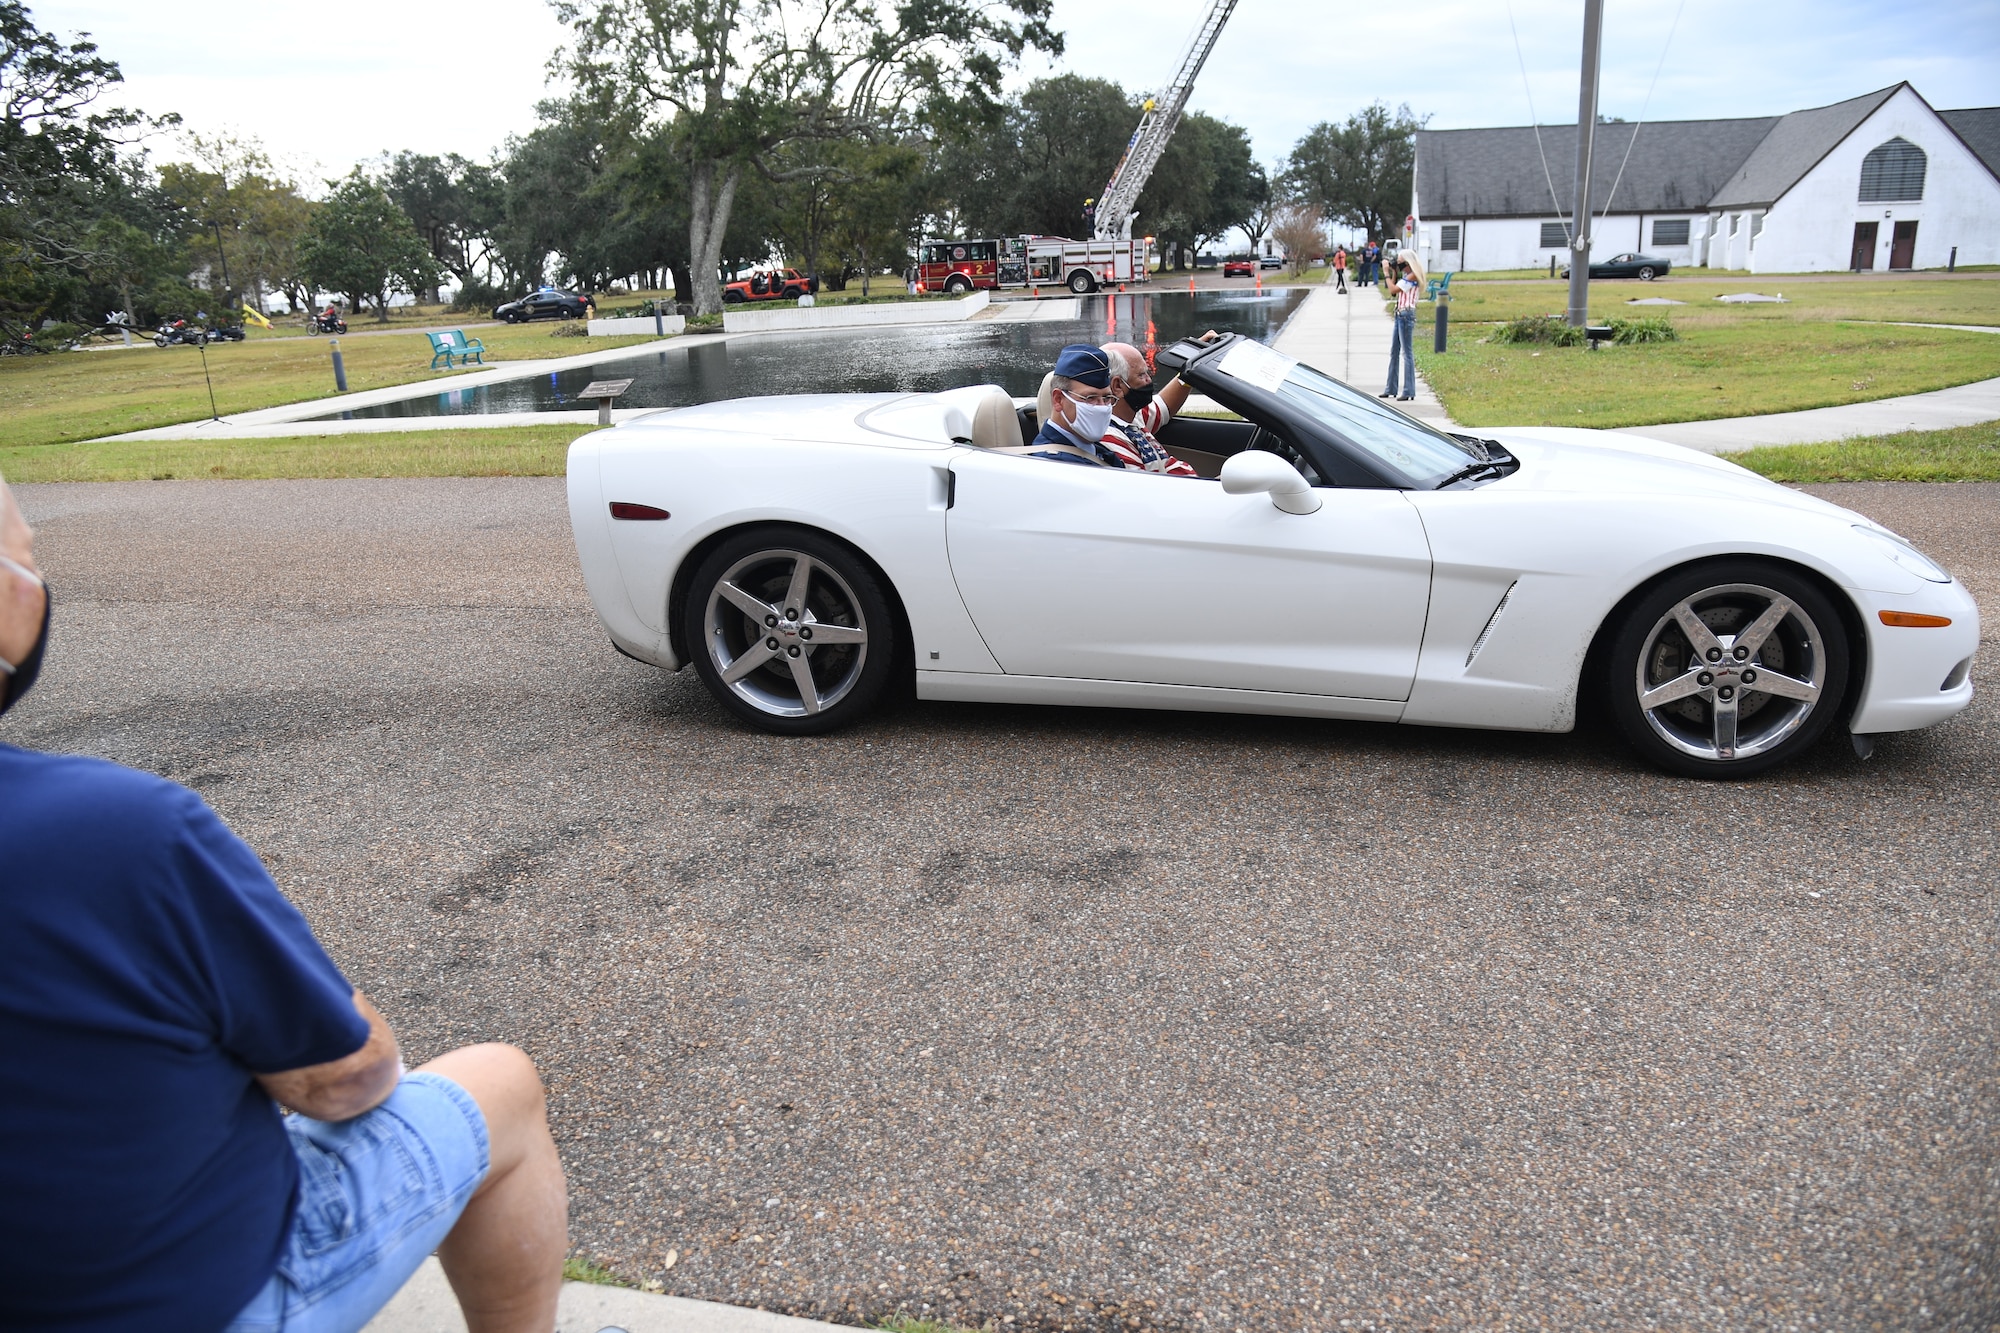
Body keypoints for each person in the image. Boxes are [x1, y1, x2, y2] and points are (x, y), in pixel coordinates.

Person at [0, 476, 572, 1333]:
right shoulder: (117, 829)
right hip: (190, 1301)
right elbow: (343, 1080)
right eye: (28, 552)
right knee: (500, 1080)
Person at [1097, 340, 1203, 475]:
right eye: (1141, 375)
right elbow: (1151, 490)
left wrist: (1193, 364)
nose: (1149, 380)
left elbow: (1164, 405)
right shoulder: (1112, 441)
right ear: (1117, 386)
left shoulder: (1130, 416)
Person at [1024, 345, 1128, 466]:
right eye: (1090, 398)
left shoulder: (1092, 448)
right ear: (1058, 400)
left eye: (1106, 398)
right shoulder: (1053, 464)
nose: (1102, 407)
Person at [1381, 252, 1423, 402]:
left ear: (1408, 263)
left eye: (1400, 262)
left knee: (1407, 354)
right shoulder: (1405, 276)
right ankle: (1391, 388)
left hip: (1406, 315)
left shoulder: (1413, 276)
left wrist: (1386, 272)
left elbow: (1393, 290)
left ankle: (1409, 390)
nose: (1398, 264)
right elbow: (1393, 293)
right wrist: (1393, 273)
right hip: (1400, 314)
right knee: (1394, 352)